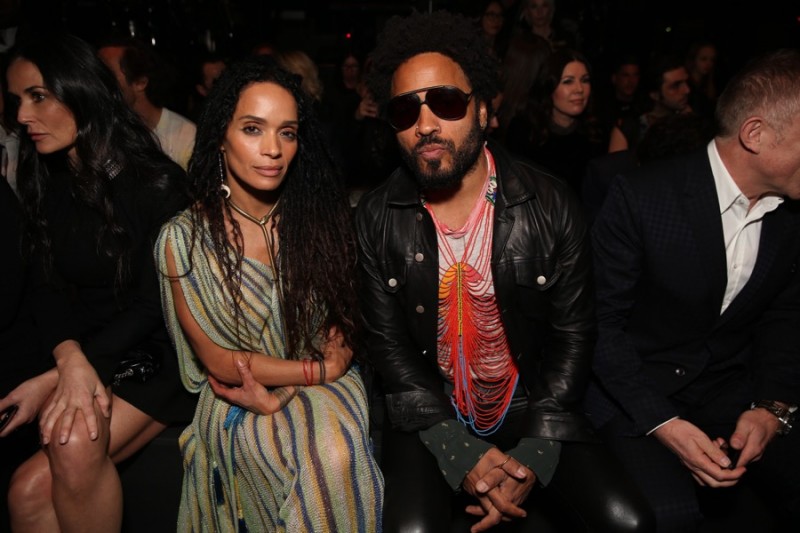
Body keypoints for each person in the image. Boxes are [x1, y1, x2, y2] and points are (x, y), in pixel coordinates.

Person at [357, 10, 653, 533]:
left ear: (485, 110)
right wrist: (456, 449)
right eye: (406, 112)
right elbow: (390, 354)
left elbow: (574, 336)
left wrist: (536, 452)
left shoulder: (551, 203)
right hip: (430, 411)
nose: (426, 124)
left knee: (627, 521)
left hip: (535, 405)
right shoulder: (376, 218)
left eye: (446, 102)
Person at [156, 55, 383, 532]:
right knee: (279, 454)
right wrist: (315, 370)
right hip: (240, 397)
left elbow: (342, 316)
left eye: (287, 132)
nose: (273, 149)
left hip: (329, 389)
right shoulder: (183, 239)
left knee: (335, 452)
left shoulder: (316, 218)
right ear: (221, 135)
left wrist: (323, 368)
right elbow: (218, 360)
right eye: (253, 129)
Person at [587, 48, 800, 532]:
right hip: (635, 395)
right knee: (667, 517)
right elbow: (601, 328)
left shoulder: (790, 215)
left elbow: (785, 317)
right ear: (756, 134)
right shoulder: (641, 198)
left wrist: (771, 408)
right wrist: (665, 423)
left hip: (729, 389)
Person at [2, 33, 195, 532]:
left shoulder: (156, 184)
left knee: (71, 445)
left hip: (161, 355)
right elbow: (43, 286)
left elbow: (157, 306)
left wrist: (71, 369)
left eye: (38, 96)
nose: (22, 116)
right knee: (25, 495)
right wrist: (66, 361)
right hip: (88, 354)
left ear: (81, 90)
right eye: (16, 99)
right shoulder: (43, 177)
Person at [505, 48, 604, 197]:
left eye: (585, 80)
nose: (579, 89)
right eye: (568, 81)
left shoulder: (595, 132)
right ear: (549, 86)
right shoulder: (524, 131)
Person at [98, 37, 197, 170]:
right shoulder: (102, 132)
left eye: (107, 75)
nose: (97, 83)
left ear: (140, 82)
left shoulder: (186, 138)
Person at [608, 53, 692, 153]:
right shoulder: (630, 127)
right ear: (654, 94)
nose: (687, 90)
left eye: (686, 82)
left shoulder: (689, 120)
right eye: (675, 86)